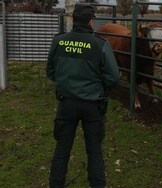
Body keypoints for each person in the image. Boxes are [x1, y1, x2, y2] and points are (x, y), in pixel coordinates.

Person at [46, 4, 120, 188]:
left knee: (62, 148)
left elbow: (50, 71)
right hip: (93, 106)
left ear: (73, 20)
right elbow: (113, 77)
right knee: (94, 151)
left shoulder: (59, 41)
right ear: (90, 21)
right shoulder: (100, 44)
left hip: (66, 104)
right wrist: (100, 89)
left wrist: (66, 82)